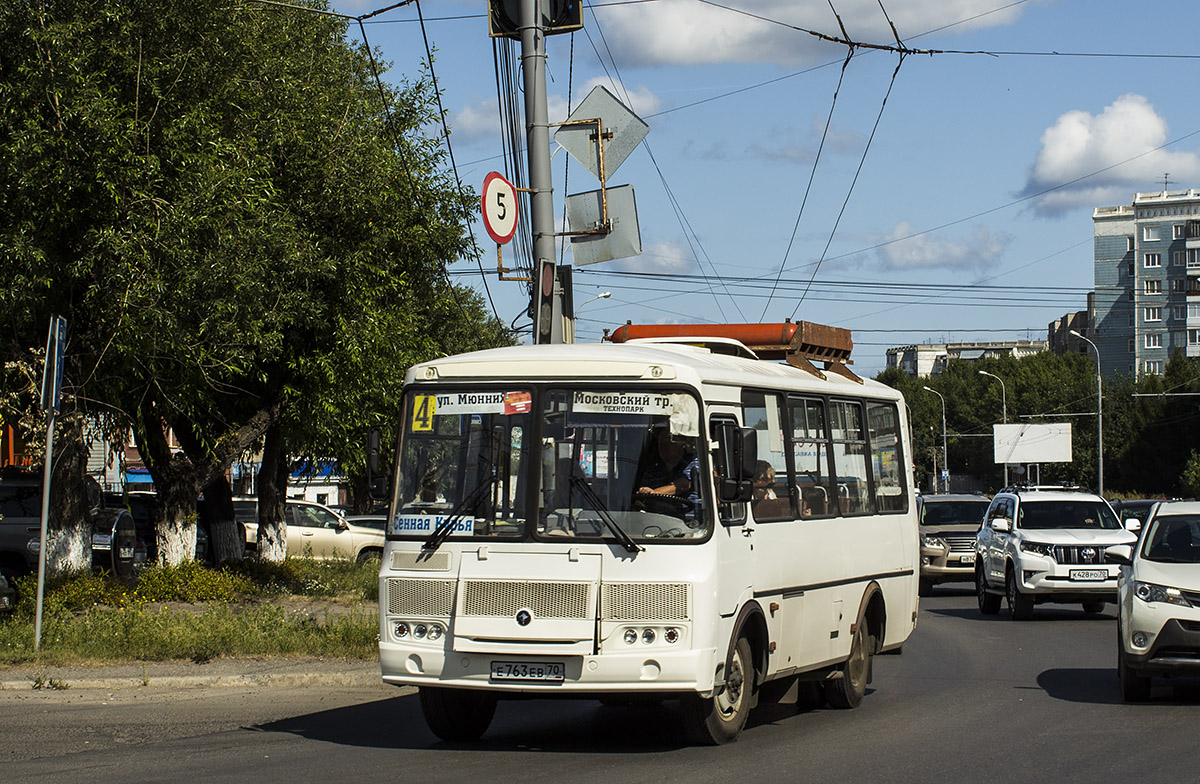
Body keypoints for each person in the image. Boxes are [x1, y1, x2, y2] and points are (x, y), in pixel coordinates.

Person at [636, 428, 700, 507]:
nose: (663, 448)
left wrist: (653, 493)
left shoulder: (694, 462)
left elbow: (683, 485)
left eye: (667, 444)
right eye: (660, 444)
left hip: (690, 517)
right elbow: (642, 491)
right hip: (658, 516)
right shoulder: (653, 469)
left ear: (680, 444)